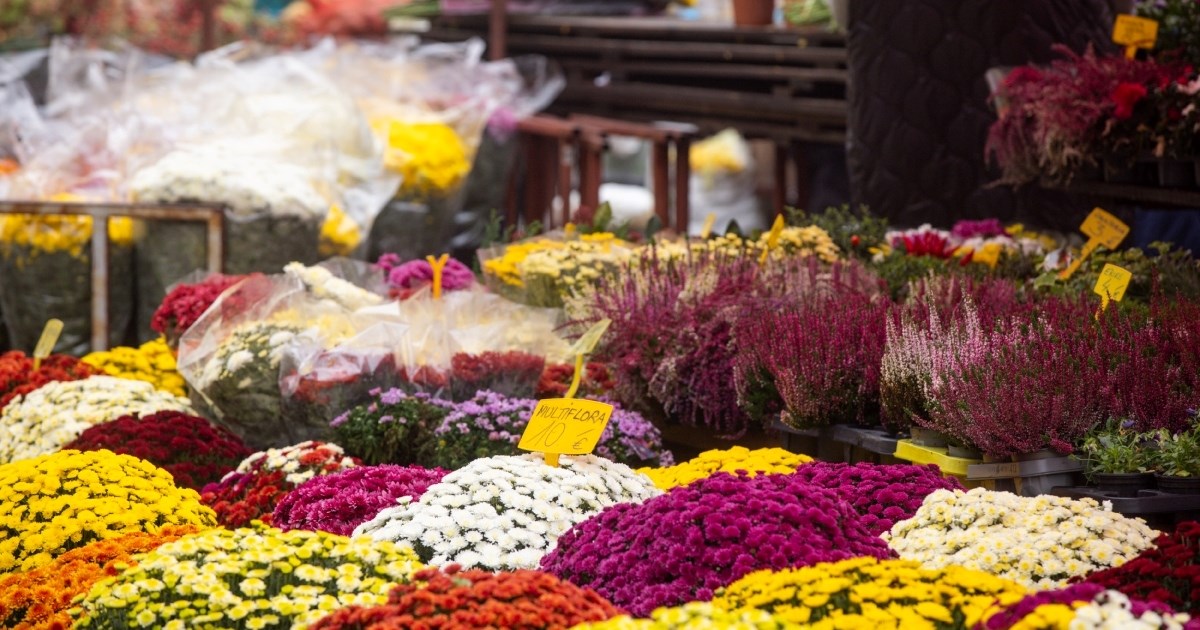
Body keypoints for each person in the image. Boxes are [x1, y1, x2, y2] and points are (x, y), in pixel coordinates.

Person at [837, 0, 1133, 232]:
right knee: (1055, 275)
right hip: (1040, 104)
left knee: (911, 272)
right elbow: (1123, 11)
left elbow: (842, 17)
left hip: (903, 117)